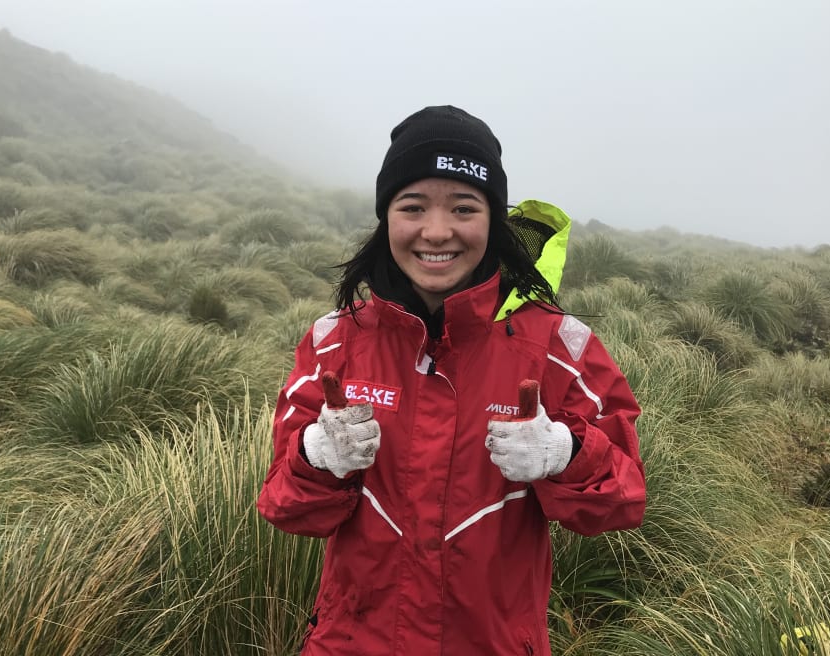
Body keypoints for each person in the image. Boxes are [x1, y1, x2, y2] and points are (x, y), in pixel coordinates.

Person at [257, 105, 646, 655]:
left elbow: (623, 500)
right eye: (412, 206)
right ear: (385, 217)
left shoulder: (559, 347)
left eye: (464, 208)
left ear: (493, 219)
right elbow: (286, 507)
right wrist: (317, 456)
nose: (436, 232)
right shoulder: (333, 343)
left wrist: (564, 453)